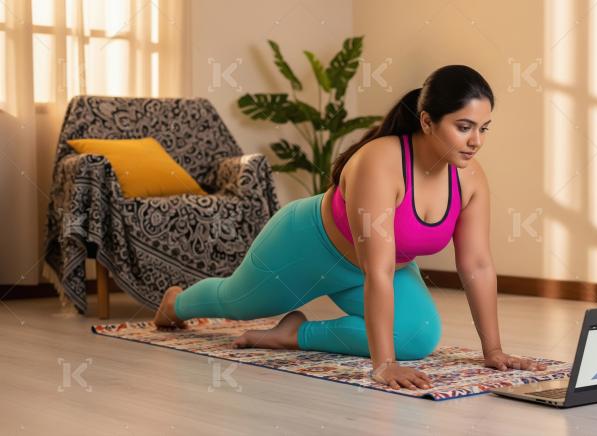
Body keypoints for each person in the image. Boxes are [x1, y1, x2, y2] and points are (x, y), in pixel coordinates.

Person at [153, 64, 547, 390]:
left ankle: (293, 334)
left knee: (420, 336)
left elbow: (476, 265)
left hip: (375, 269)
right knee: (235, 304)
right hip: (306, 248)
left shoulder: (470, 178)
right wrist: (384, 364)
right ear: (427, 121)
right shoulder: (380, 162)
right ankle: (176, 303)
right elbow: (376, 267)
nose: (476, 141)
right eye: (464, 127)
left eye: (484, 128)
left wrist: (493, 350)